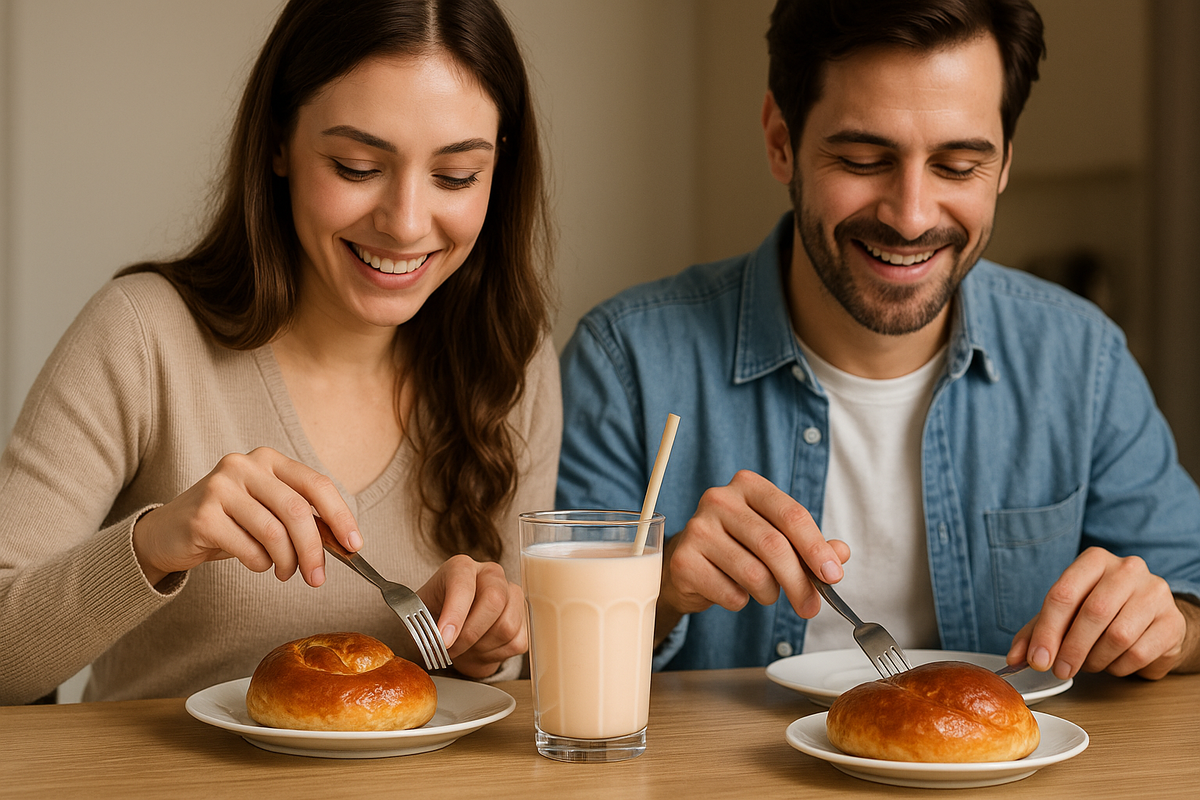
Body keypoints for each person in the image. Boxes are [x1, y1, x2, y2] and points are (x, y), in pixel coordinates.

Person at [558, 0, 1200, 680]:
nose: (911, 216)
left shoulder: (1082, 358)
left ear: (1005, 164)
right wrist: (655, 593)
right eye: (864, 160)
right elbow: (548, 661)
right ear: (780, 141)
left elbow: (1190, 595)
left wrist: (1171, 629)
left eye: (959, 166)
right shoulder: (626, 361)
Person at [0, 0, 560, 705]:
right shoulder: (142, 334)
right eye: (357, 166)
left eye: (456, 176)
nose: (406, 223)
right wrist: (155, 544)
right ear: (277, 144)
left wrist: (482, 643)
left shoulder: (511, 359)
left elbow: (513, 679)